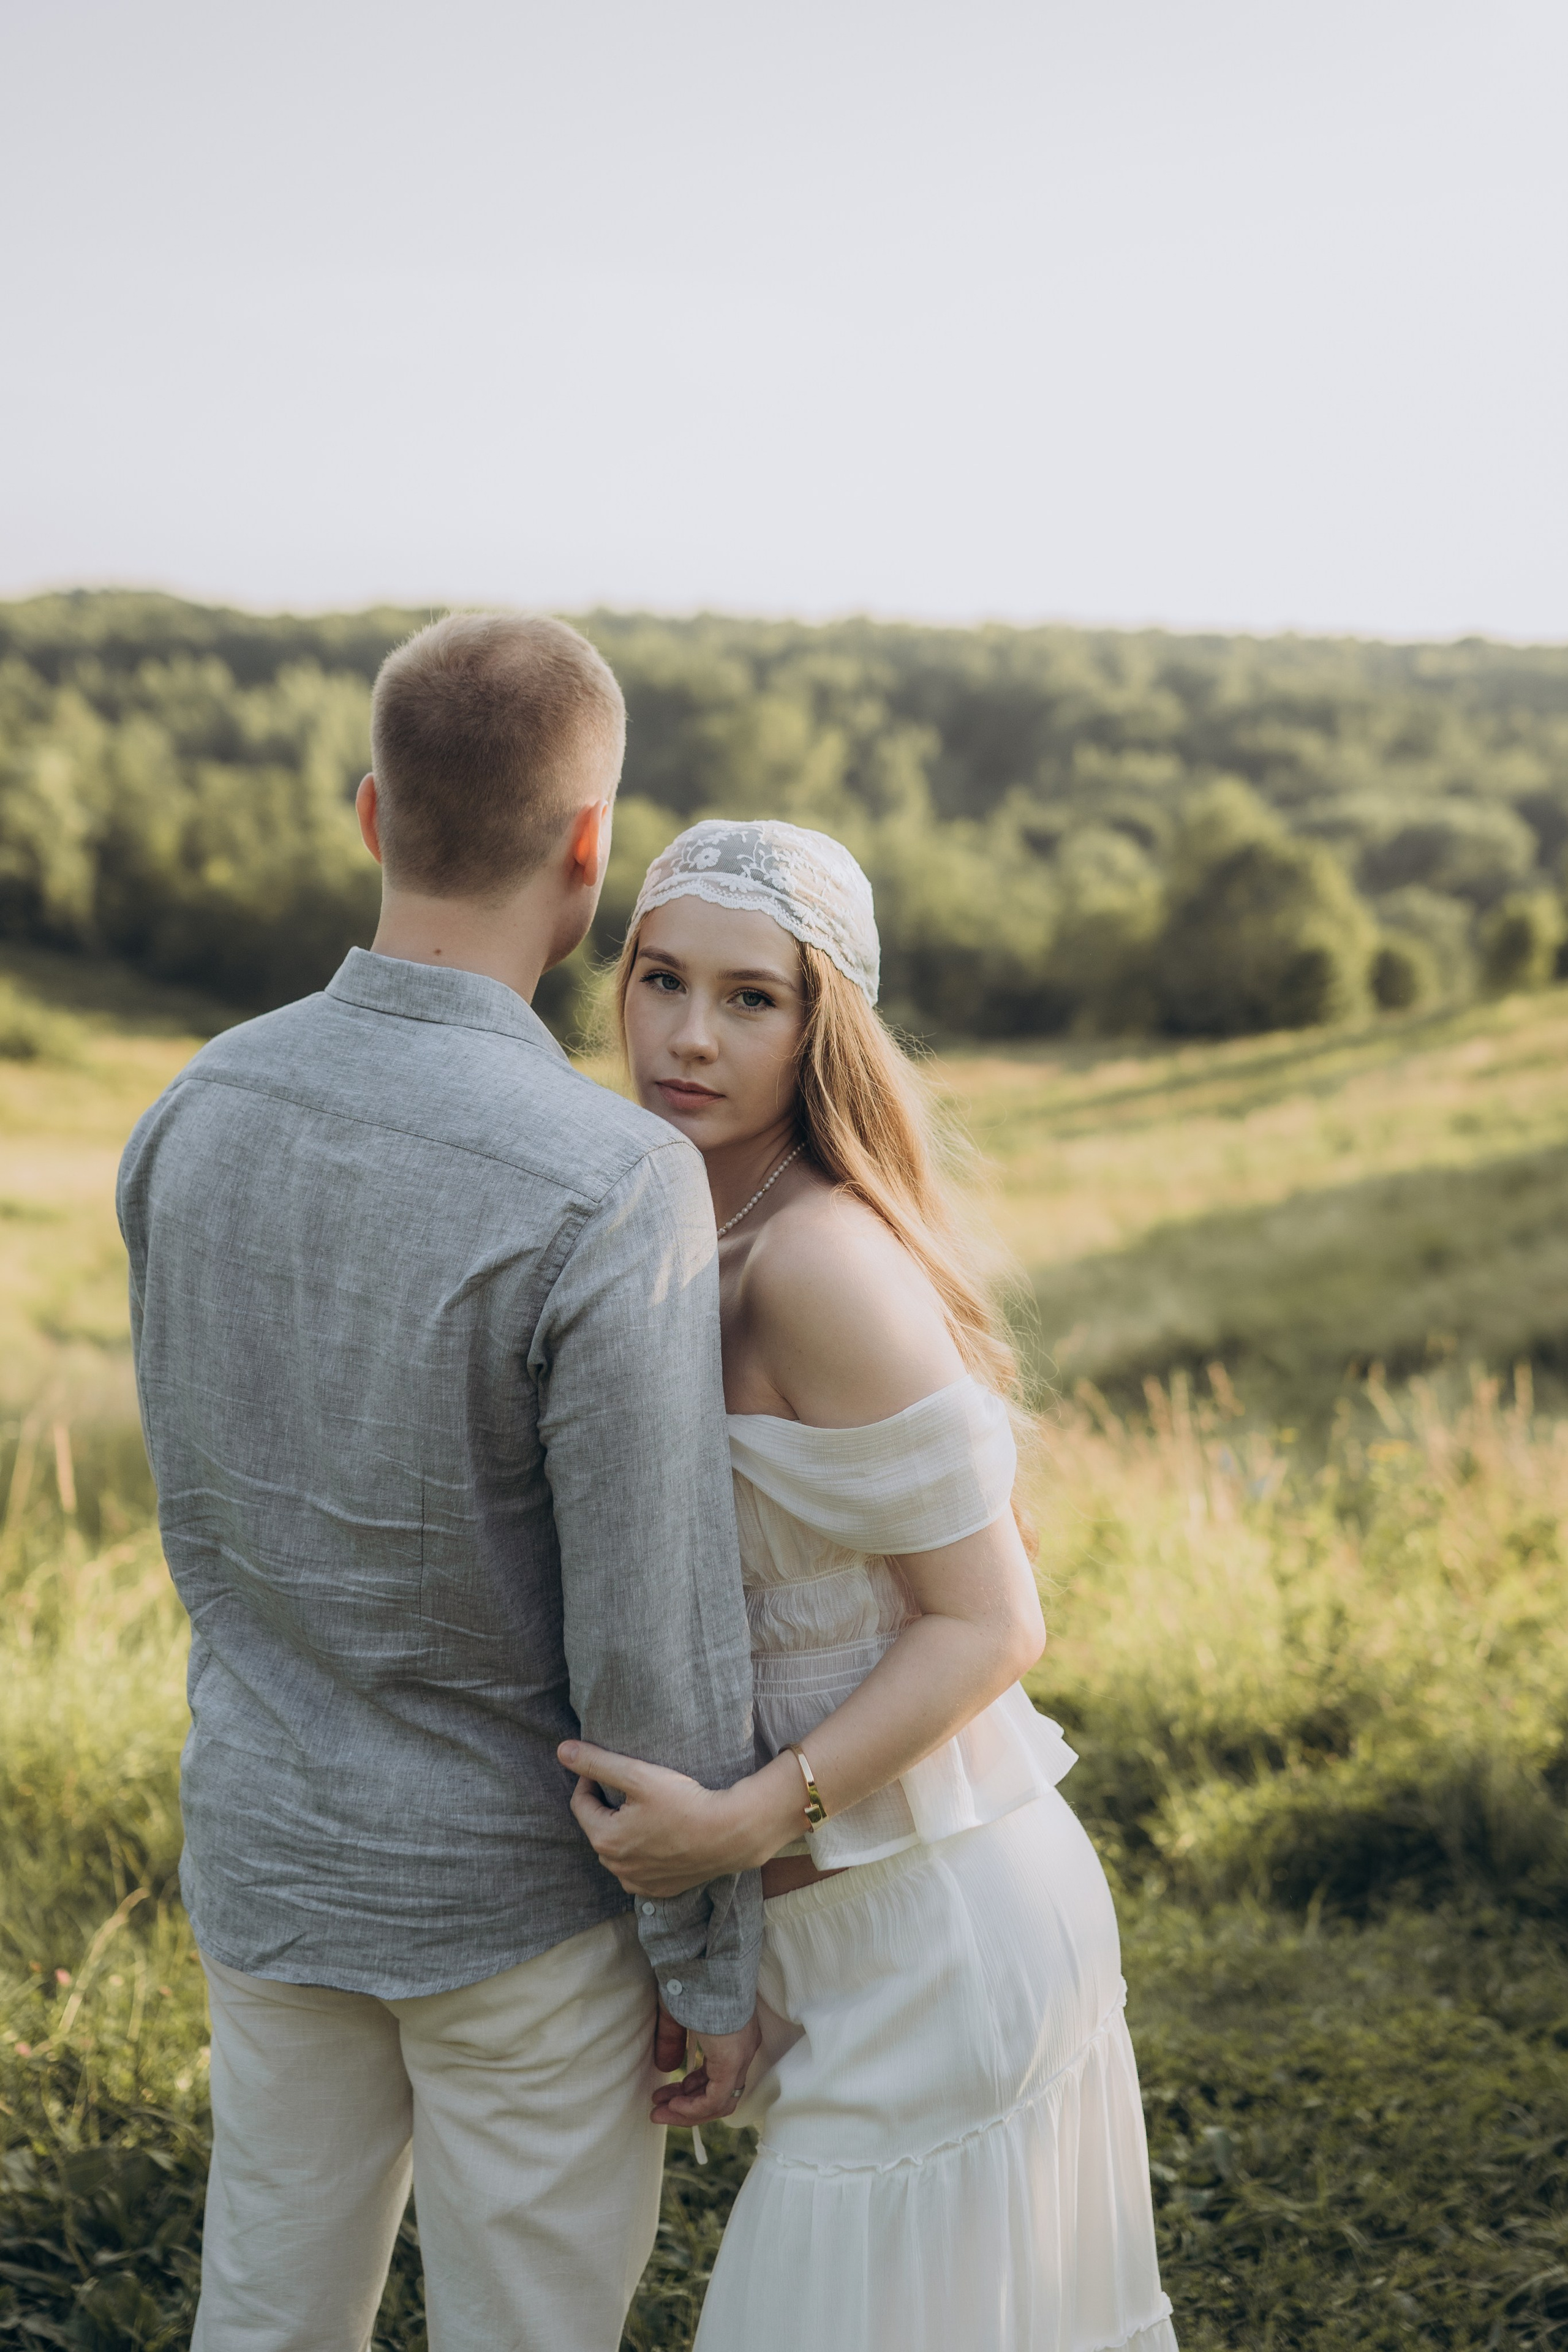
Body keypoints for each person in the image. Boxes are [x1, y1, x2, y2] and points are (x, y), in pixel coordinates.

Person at [116, 616, 761, 2352]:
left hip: (264, 1858)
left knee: (261, 2316)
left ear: (368, 813)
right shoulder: (616, 1180)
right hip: (518, 1914)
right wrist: (707, 1962)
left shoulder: (189, 1109)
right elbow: (652, 1637)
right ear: (587, 850)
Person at [562, 818, 1177, 2352]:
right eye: (659, 981)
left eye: (750, 998)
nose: (688, 1037)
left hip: (944, 1938)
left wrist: (746, 1827)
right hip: (839, 1943)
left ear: (818, 1019)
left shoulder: (815, 1262)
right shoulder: (678, 1222)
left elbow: (991, 1617)